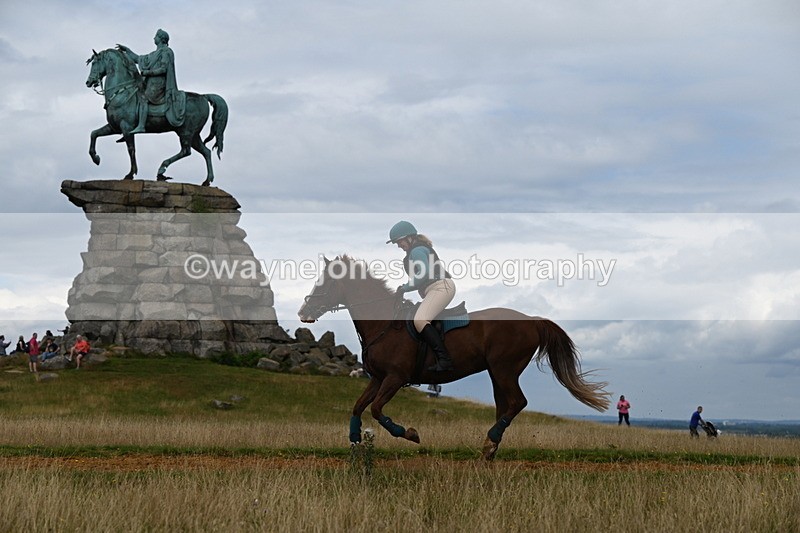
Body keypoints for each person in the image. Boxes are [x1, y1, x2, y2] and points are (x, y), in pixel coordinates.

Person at [388, 221, 456, 372]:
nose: (399, 245)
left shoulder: (417, 251)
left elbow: (423, 274)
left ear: (409, 238)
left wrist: (403, 288)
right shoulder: (414, 251)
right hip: (434, 289)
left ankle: (445, 361)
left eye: (399, 242)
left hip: (440, 287)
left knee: (419, 320)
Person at [117, 28, 185, 134]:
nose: (154, 38)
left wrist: (148, 73)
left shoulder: (166, 52)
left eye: (156, 36)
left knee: (143, 98)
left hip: (159, 84)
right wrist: (127, 50)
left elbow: (164, 69)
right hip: (150, 83)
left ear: (161, 39)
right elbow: (138, 58)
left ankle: (141, 126)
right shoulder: (154, 54)